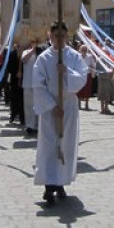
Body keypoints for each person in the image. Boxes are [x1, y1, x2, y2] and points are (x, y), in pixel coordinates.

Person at [32, 22, 88, 206]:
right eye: (55, 35)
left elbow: (82, 79)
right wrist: (50, 105)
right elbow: (38, 84)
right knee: (49, 144)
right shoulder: (44, 58)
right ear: (50, 36)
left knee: (66, 144)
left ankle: (61, 181)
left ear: (67, 36)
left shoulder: (74, 56)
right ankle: (49, 185)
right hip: (51, 106)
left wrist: (67, 72)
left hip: (69, 104)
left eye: (62, 35)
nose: (59, 39)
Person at [21, 41, 39, 135]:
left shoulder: (42, 53)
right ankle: (29, 126)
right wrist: (33, 50)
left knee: (38, 105)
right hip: (28, 82)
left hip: (39, 84)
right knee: (28, 106)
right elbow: (24, 60)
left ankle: (37, 125)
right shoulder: (26, 52)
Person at [76, 44, 95, 110]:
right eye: (83, 50)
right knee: (79, 89)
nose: (84, 51)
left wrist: (91, 68)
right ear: (80, 50)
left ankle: (86, 104)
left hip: (87, 74)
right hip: (80, 75)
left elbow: (93, 65)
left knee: (88, 89)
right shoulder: (78, 56)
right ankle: (79, 105)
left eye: (85, 50)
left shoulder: (90, 57)